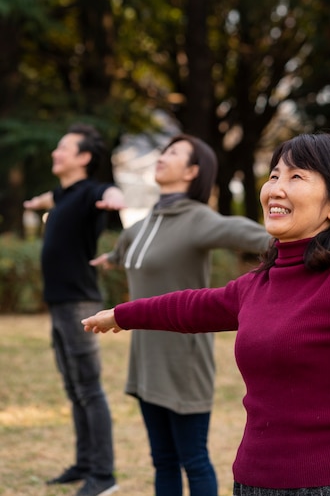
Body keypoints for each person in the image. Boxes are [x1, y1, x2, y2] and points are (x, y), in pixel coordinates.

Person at [81, 130, 330, 496]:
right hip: (253, 481)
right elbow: (192, 307)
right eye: (274, 175)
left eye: (296, 176)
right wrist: (122, 314)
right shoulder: (258, 283)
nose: (276, 188)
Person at [89, 133, 271, 496]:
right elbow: (127, 248)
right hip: (145, 358)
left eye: (173, 153)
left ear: (192, 171)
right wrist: (110, 260)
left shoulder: (198, 220)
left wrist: (311, 246)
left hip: (183, 361)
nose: (162, 156)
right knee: (163, 460)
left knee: (194, 459)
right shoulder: (143, 225)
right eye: (163, 150)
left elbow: (247, 233)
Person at [24, 123, 124, 496]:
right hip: (60, 302)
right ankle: (84, 463)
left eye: (63, 148)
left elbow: (107, 189)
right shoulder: (63, 194)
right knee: (73, 387)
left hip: (79, 301)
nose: (55, 152)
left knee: (88, 388)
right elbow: (49, 198)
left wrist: (115, 197)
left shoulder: (89, 193)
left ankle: (103, 474)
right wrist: (35, 204)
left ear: (83, 157)